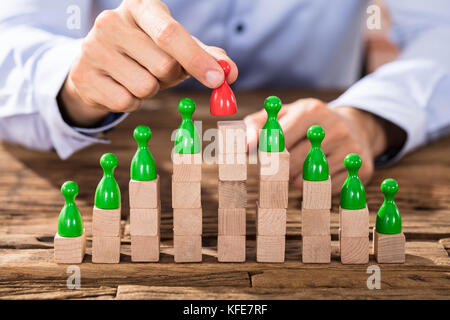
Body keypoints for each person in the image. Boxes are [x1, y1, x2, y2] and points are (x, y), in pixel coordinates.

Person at [0, 0, 449, 194]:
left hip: (316, 139)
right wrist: (74, 82)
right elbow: (11, 34)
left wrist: (368, 119)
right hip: (117, 132)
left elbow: (441, 28)